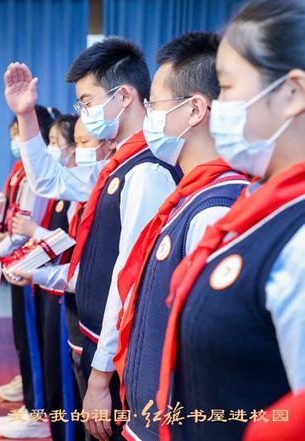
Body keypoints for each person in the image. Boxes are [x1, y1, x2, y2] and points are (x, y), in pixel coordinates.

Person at [4, 37, 183, 441]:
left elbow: (127, 278)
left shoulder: (147, 171)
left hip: (114, 353)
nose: (82, 114)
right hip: (92, 338)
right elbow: (48, 180)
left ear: (124, 97)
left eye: (87, 101)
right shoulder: (115, 164)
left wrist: (101, 377)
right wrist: (26, 115)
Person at [156, 1, 305, 439]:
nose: (216, 106)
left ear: (293, 93)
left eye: (226, 86)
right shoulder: (258, 207)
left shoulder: (297, 237)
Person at [107, 32, 250, 441]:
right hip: (147, 415)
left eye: (154, 105)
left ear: (195, 110)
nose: (147, 118)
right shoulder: (189, 196)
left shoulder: (214, 210)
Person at [0, 106, 53, 439]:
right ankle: (33, 404)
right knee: (24, 340)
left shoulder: (43, 172)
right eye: (15, 134)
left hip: (34, 265)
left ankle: (38, 412)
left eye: (21, 133)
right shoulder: (23, 171)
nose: (17, 141)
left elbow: (28, 227)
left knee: (33, 342)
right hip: (19, 260)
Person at [2, 114, 86, 441]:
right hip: (48, 280)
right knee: (50, 364)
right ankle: (43, 415)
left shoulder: (85, 188)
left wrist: (34, 232)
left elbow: (73, 244)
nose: (51, 150)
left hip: (65, 288)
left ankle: (46, 418)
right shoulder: (62, 187)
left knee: (64, 379)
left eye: (54, 142)